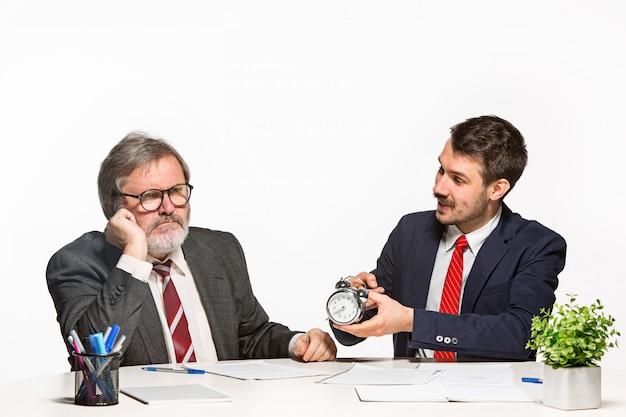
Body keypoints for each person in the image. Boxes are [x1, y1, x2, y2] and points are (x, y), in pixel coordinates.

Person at [47, 132, 336, 368]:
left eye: (176, 191)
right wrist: (134, 253)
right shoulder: (76, 263)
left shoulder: (220, 249)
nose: (168, 208)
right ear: (114, 206)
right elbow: (93, 359)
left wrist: (296, 343)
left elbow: (250, 336)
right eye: (150, 197)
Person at [332, 115, 566, 361]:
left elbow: (520, 336)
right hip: (409, 390)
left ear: (496, 189)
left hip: (492, 394)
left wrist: (413, 322)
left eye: (458, 180)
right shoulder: (410, 231)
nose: (439, 188)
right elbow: (355, 333)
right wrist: (353, 303)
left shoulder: (537, 245)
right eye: (441, 170)